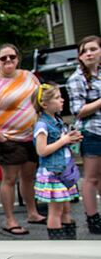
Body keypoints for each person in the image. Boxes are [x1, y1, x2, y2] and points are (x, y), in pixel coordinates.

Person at [0, 43, 45, 235]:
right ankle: (10, 219)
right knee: (9, 179)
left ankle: (33, 212)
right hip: (8, 138)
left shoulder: (29, 77)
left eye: (12, 57)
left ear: (18, 58)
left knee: (28, 177)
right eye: (3, 58)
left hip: (31, 137)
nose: (8, 61)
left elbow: (40, 99)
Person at [32, 84, 82, 239]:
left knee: (66, 209)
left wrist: (70, 140)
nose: (62, 100)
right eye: (57, 98)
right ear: (44, 104)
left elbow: (59, 143)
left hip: (64, 171)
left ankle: (69, 243)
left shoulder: (57, 121)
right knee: (55, 211)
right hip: (53, 172)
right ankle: (58, 245)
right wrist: (64, 140)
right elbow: (42, 150)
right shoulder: (42, 125)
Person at [66, 35, 101, 234]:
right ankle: (92, 218)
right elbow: (78, 110)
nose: (88, 53)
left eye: (93, 49)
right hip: (92, 132)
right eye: (84, 51)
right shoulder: (76, 78)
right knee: (91, 178)